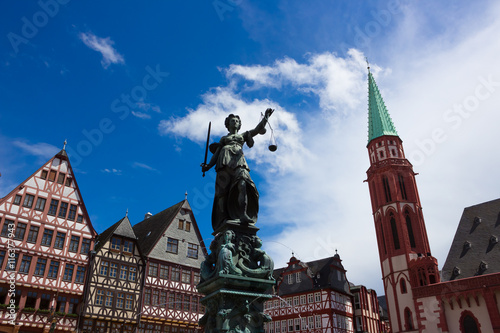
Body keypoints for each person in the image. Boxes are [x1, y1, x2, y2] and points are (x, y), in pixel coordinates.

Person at [202, 108, 274, 231]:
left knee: (243, 184)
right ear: (228, 124)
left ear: (239, 124)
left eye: (236, 121)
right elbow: (217, 153)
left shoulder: (243, 135)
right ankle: (223, 218)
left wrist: (266, 118)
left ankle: (243, 214)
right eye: (232, 121)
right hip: (224, 162)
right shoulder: (224, 139)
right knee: (222, 192)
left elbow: (257, 130)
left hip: (239, 162)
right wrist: (208, 166)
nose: (235, 122)